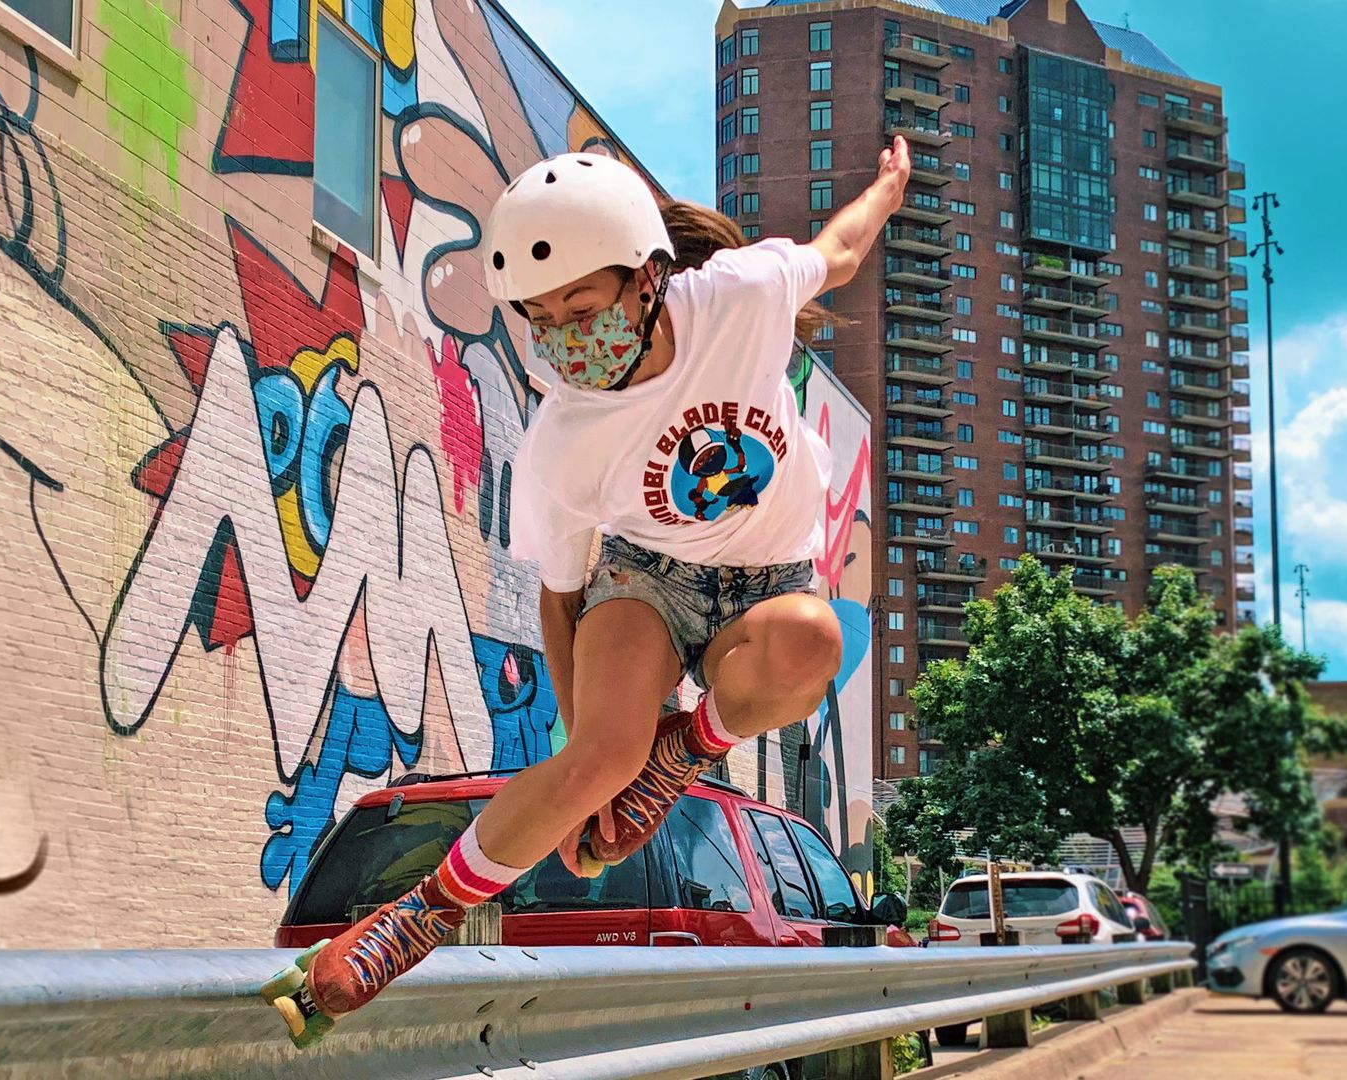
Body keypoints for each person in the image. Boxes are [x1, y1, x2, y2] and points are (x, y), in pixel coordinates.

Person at [265, 135, 912, 1047]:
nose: (570, 337)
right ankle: (414, 921)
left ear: (648, 279)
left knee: (815, 640)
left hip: (769, 586)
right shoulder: (564, 438)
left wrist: (886, 186)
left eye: (583, 304)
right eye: (543, 318)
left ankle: (688, 749)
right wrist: (597, 776)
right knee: (602, 758)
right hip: (644, 580)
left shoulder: (737, 297)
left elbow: (838, 253)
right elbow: (561, 601)